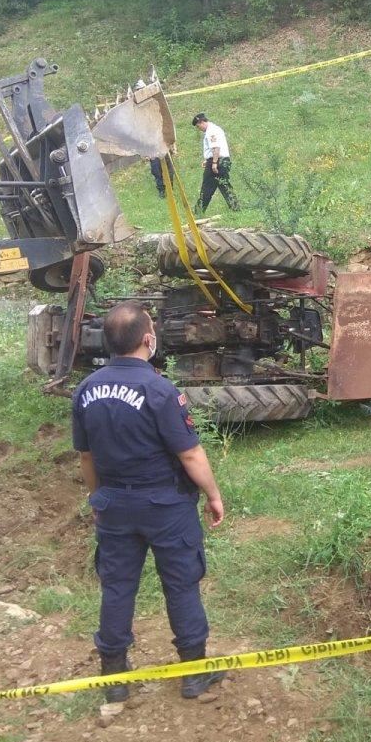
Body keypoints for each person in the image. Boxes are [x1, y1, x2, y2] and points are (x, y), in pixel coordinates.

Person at [73, 301, 228, 703]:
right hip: (165, 506)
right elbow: (190, 454)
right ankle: (193, 674)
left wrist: (96, 499)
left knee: (117, 588)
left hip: (114, 506)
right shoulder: (159, 389)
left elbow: (86, 457)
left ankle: (114, 679)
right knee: (181, 585)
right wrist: (213, 494)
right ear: (148, 339)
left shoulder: (86, 390)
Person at [191, 113, 240, 213]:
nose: (199, 129)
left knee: (207, 187)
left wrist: (213, 162)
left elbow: (216, 147)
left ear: (201, 122)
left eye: (198, 126)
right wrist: (207, 160)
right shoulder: (215, 129)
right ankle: (235, 207)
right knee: (224, 185)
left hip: (217, 161)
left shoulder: (211, 131)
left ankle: (198, 211)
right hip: (223, 160)